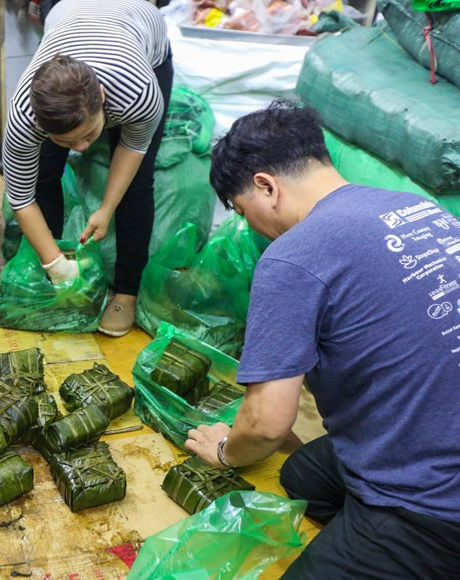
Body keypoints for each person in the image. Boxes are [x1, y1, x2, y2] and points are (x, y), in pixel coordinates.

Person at [184, 101, 460, 578]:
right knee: (301, 476)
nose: (249, 226)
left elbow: (268, 424)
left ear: (266, 187)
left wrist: (226, 450)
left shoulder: (294, 256)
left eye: (243, 210)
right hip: (438, 429)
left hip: (433, 504)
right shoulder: (416, 208)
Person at [2, 0, 172, 337]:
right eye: (67, 141)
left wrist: (106, 210)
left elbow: (132, 147)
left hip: (139, 28)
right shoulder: (24, 115)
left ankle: (126, 292)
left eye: (90, 135)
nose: (82, 148)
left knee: (137, 184)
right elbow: (21, 197)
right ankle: (49, 264)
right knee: (45, 173)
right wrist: (55, 264)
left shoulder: (138, 92)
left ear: (103, 98)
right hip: (67, 17)